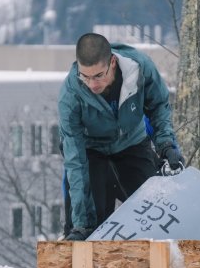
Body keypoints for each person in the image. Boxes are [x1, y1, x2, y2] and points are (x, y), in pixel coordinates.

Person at [58, 33, 184, 241]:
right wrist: (81, 224)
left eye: (98, 75)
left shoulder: (140, 68)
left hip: (132, 143)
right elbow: (75, 160)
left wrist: (166, 145)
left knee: (158, 212)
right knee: (86, 228)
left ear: (113, 63)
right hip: (91, 152)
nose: (92, 84)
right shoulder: (70, 96)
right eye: (85, 76)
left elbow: (159, 107)